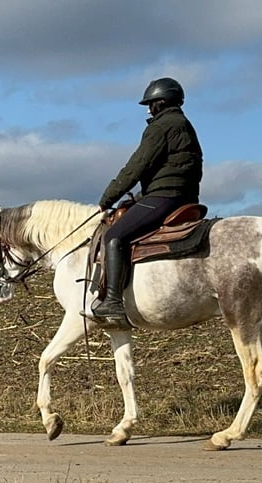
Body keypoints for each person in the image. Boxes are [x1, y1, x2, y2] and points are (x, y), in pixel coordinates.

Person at [91, 77, 203, 325]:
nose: (149, 109)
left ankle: (112, 302)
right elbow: (175, 167)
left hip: (165, 196)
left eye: (150, 104)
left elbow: (138, 165)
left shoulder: (161, 126)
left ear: (160, 102)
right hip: (185, 196)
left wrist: (108, 197)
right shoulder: (185, 124)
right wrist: (141, 196)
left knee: (114, 237)